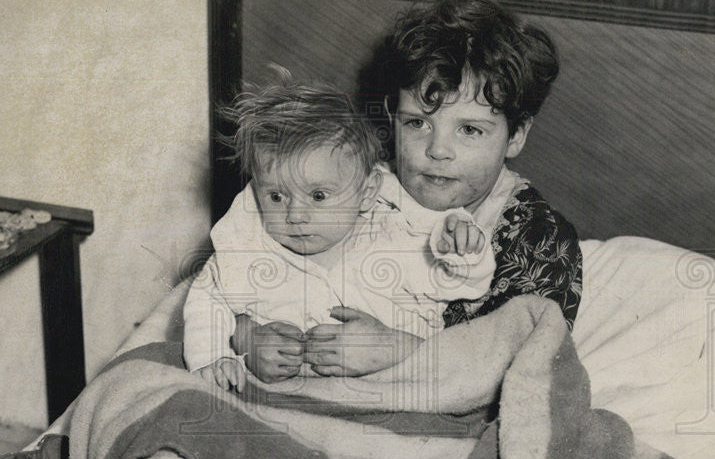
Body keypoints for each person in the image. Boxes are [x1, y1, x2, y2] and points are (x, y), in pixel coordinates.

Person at [232, 0, 582, 381]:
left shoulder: (540, 238)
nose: (437, 150)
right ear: (391, 117)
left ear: (516, 135)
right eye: (417, 123)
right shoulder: (342, 181)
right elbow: (227, 272)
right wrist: (246, 335)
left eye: (469, 130)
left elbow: (531, 371)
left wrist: (395, 351)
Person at [184, 83, 499, 391]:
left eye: (318, 196)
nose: (295, 215)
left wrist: (464, 248)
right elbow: (207, 298)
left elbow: (468, 282)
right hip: (289, 402)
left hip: (395, 397)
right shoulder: (250, 246)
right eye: (277, 196)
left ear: (367, 192)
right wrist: (219, 354)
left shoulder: (399, 235)